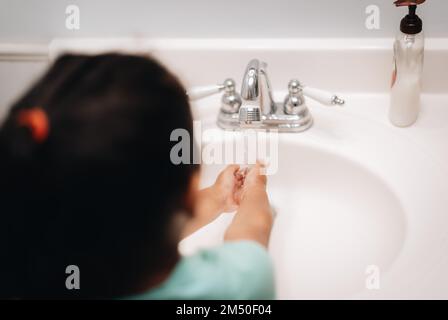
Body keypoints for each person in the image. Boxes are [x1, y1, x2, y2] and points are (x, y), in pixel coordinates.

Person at [0, 53, 275, 299]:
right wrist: (256, 187)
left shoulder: (27, 271)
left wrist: (216, 198)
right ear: (190, 191)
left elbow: (122, 231)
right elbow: (252, 231)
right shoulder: (235, 288)